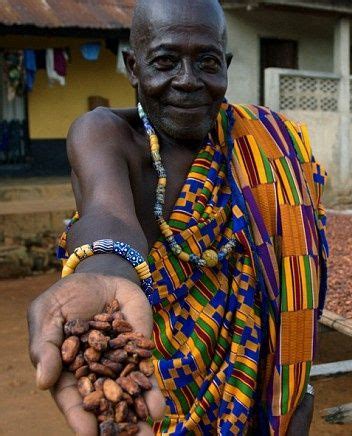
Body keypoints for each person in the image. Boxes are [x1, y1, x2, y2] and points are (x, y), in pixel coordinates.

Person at [27, 0, 328, 434]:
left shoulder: (268, 149)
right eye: (165, 62)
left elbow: (296, 273)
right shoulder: (108, 136)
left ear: (225, 65)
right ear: (133, 67)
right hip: (158, 390)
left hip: (260, 397)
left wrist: (293, 389)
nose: (187, 82)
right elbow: (105, 210)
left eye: (206, 62)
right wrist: (103, 274)